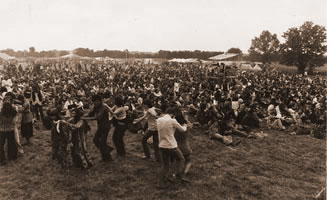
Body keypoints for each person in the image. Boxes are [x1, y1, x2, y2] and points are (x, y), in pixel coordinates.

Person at [157, 105, 189, 189]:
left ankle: (160, 183)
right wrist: (185, 125)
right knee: (181, 159)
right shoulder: (172, 120)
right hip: (171, 145)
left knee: (165, 165)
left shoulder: (159, 120)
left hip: (161, 145)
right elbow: (182, 130)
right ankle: (173, 175)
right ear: (173, 114)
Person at [82, 94, 114, 162]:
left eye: (97, 101)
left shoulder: (103, 107)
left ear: (100, 101)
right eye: (94, 102)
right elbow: (91, 113)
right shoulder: (96, 106)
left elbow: (97, 117)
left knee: (102, 143)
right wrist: (82, 116)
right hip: (100, 126)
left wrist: (85, 118)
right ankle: (107, 150)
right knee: (95, 140)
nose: (95, 103)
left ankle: (108, 158)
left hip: (105, 127)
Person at [0, 99, 18, 165]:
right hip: (10, 130)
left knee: (1, 145)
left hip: (2, 130)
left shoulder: (1, 113)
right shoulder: (13, 113)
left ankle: (2, 159)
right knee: (11, 144)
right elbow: (14, 121)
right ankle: (12, 157)